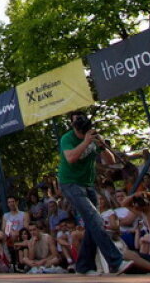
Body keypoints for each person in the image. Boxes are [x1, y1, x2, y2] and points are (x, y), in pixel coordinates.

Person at [57, 111, 133, 276]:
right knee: (95, 218)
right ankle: (116, 262)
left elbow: (111, 161)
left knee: (93, 224)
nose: (80, 126)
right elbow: (70, 158)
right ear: (72, 125)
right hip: (70, 183)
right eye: (77, 123)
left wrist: (103, 146)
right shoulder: (67, 138)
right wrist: (85, 142)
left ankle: (83, 266)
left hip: (88, 184)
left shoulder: (93, 137)